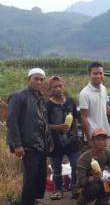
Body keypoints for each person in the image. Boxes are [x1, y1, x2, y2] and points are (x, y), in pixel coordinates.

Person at [7, 68, 53, 205]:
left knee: (39, 179)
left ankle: (32, 201)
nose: (39, 82)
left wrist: (49, 142)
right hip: (28, 146)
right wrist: (17, 144)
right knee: (30, 180)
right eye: (36, 79)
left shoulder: (40, 98)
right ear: (29, 80)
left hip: (41, 145)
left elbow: (45, 122)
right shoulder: (18, 96)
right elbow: (12, 121)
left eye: (41, 79)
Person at [46, 76, 81, 200]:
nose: (58, 89)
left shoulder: (70, 101)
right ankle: (58, 190)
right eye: (55, 87)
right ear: (50, 89)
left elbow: (76, 120)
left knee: (76, 166)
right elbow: (45, 124)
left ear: (64, 87)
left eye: (60, 86)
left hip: (72, 140)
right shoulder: (47, 105)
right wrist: (58, 127)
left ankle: (75, 188)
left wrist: (76, 135)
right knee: (56, 169)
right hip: (55, 142)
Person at [75, 128, 110, 205]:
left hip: (100, 180)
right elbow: (81, 182)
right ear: (92, 141)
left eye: (104, 139)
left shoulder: (107, 152)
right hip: (87, 186)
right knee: (96, 187)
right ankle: (80, 202)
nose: (102, 142)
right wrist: (93, 178)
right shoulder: (84, 159)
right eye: (98, 139)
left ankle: (103, 201)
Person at [79, 62, 110, 146]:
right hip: (93, 134)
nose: (98, 76)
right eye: (95, 73)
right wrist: (89, 140)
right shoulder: (85, 93)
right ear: (89, 74)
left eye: (100, 73)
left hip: (103, 131)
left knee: (104, 157)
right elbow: (83, 117)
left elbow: (105, 107)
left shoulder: (103, 88)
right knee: (95, 158)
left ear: (103, 74)